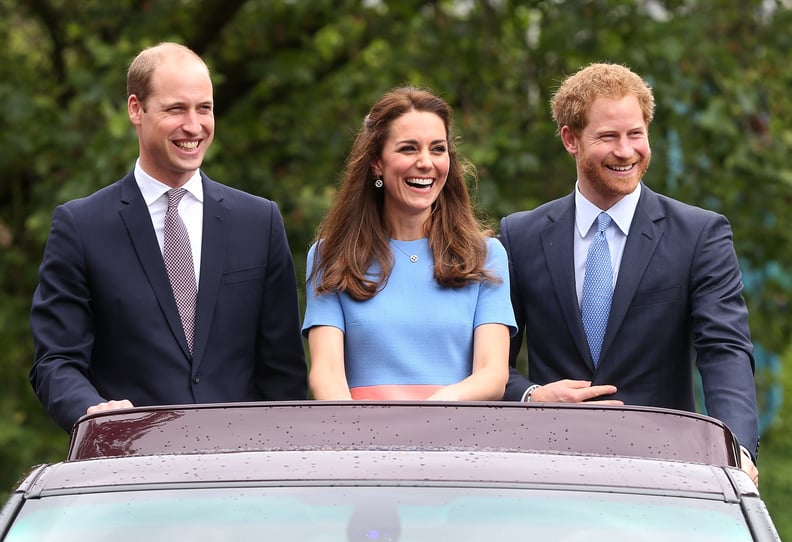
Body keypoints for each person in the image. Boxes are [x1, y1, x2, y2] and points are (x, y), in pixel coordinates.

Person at [498, 62, 759, 484]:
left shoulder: (699, 235)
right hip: (547, 470)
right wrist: (532, 396)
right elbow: (491, 362)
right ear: (570, 140)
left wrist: (738, 450)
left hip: (664, 472)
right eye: (608, 136)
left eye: (635, 134)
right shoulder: (520, 235)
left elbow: (724, 350)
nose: (626, 151)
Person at [29, 42, 307, 433]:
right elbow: (55, 361)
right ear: (135, 109)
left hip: (244, 469)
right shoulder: (81, 226)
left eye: (204, 108)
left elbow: (284, 373)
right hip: (131, 466)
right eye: (176, 109)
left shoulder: (260, 221)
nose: (193, 126)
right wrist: (94, 412)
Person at [303, 86, 515, 401]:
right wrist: (355, 431)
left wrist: (428, 414)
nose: (426, 162)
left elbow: (492, 374)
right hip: (361, 438)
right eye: (408, 149)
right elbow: (326, 373)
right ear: (377, 162)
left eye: (438, 149)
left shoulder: (486, 255)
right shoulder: (329, 256)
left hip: (455, 436)